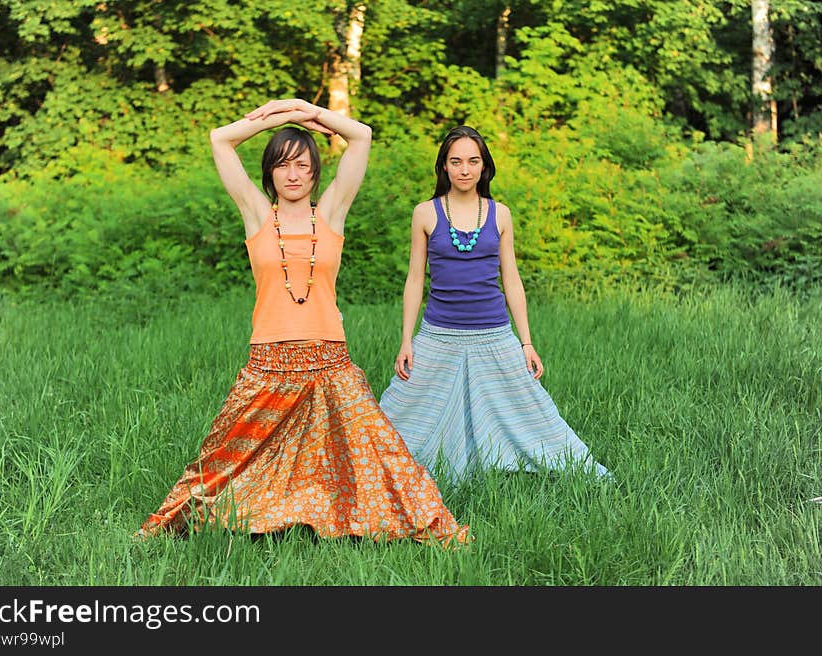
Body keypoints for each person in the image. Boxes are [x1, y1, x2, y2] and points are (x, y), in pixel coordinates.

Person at [136, 99, 469, 546]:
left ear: (315, 174)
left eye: (303, 166)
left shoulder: (330, 215)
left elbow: (361, 136)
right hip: (269, 363)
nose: (293, 175)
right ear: (269, 173)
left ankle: (407, 522)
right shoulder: (257, 215)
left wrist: (303, 109)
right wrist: (274, 119)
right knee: (224, 458)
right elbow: (220, 139)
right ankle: (197, 521)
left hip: (330, 361)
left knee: (381, 452)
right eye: (283, 165)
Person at [378, 125, 610, 483]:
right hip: (438, 334)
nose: (465, 169)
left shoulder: (499, 214)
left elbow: (512, 280)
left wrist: (526, 342)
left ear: (484, 166)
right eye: (456, 162)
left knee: (532, 412)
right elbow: (414, 279)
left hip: (494, 333)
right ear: (444, 167)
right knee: (401, 411)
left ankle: (562, 466)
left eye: (473, 161)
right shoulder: (425, 213)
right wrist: (407, 340)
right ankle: (379, 469)